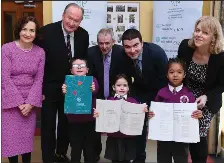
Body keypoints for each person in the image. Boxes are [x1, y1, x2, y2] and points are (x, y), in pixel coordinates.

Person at [34, 3, 89, 162]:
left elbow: (83, 61)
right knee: (48, 124)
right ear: (63, 15)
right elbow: (38, 61)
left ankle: (61, 153)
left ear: (81, 21)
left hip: (72, 87)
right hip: (49, 86)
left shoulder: (83, 35)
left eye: (76, 20)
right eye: (70, 18)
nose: (72, 23)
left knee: (66, 123)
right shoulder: (45, 32)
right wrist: (40, 88)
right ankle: (48, 157)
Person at [177, 16, 224, 163]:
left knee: (198, 133)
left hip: (207, 98)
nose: (198, 34)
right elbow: (179, 70)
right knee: (182, 131)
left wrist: (206, 97)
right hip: (186, 93)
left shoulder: (220, 57)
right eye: (197, 30)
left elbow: (221, 84)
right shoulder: (185, 46)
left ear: (213, 37)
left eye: (204, 32)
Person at [1, 16, 45, 163]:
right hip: (10, 103)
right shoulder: (6, 49)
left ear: (36, 33)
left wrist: (30, 103)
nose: (28, 33)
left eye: (32, 30)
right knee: (11, 142)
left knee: (26, 142)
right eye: (24, 29)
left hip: (29, 103)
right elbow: (4, 78)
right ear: (19, 31)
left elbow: (39, 79)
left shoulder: (40, 52)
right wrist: (19, 103)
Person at [121, 29, 168, 163]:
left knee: (160, 127)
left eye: (136, 45)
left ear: (142, 43)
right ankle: (139, 158)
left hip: (159, 91)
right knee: (138, 126)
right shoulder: (123, 55)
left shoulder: (156, 53)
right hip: (139, 90)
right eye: (128, 47)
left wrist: (157, 104)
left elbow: (165, 80)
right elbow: (125, 77)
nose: (132, 50)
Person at [148, 57, 203, 163]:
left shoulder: (189, 94)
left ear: (184, 75)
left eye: (179, 72)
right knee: (163, 160)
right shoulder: (161, 93)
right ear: (167, 74)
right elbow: (154, 114)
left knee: (181, 160)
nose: (175, 75)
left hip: (182, 139)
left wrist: (198, 115)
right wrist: (151, 115)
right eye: (171, 72)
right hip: (163, 139)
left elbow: (194, 117)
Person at [87, 28, 128, 161]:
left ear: (113, 42)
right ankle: (95, 154)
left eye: (107, 43)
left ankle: (117, 156)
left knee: (115, 128)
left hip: (114, 95)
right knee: (95, 129)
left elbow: (125, 75)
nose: (104, 47)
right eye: (101, 43)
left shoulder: (122, 52)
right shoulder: (91, 52)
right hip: (96, 96)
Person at [94, 74, 148, 163]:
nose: (122, 88)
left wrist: (143, 110)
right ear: (113, 87)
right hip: (114, 137)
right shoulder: (109, 101)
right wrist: (98, 114)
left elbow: (139, 115)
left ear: (128, 88)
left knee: (126, 160)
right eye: (118, 85)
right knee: (114, 159)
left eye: (125, 85)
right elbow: (103, 115)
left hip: (128, 138)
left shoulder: (133, 101)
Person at [61, 58, 99, 163]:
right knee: (75, 148)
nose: (78, 67)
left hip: (90, 120)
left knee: (89, 148)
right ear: (71, 70)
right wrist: (64, 91)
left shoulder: (92, 80)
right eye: (75, 66)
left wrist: (93, 88)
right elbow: (66, 94)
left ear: (87, 70)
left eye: (82, 66)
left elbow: (96, 90)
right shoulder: (68, 81)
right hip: (74, 121)